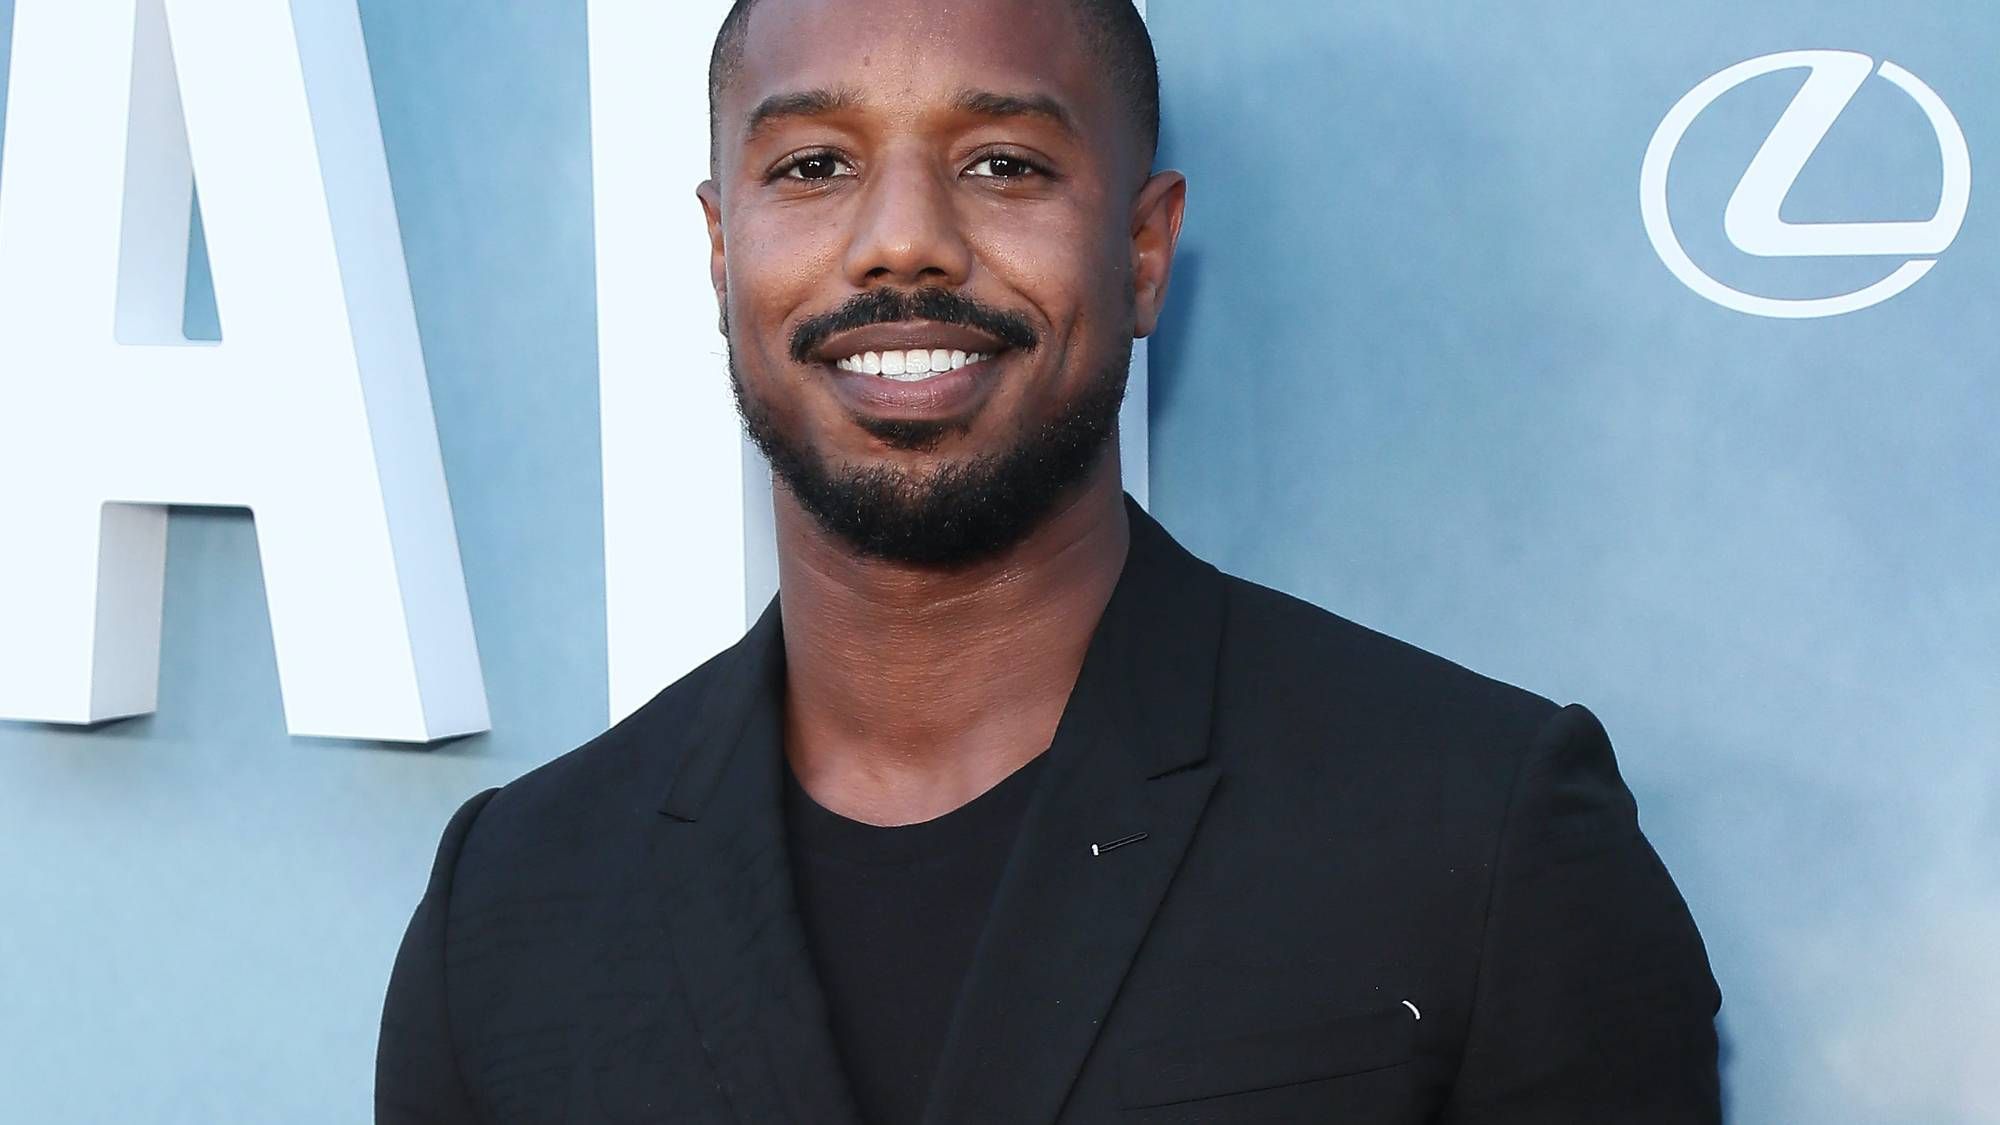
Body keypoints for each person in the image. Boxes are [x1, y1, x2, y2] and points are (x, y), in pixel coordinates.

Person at [375, 0, 1722, 1120]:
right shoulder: (511, 906)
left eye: (1003, 164)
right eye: (815, 167)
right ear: (723, 251)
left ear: (1144, 249)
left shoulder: (1477, 835)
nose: (902, 239)